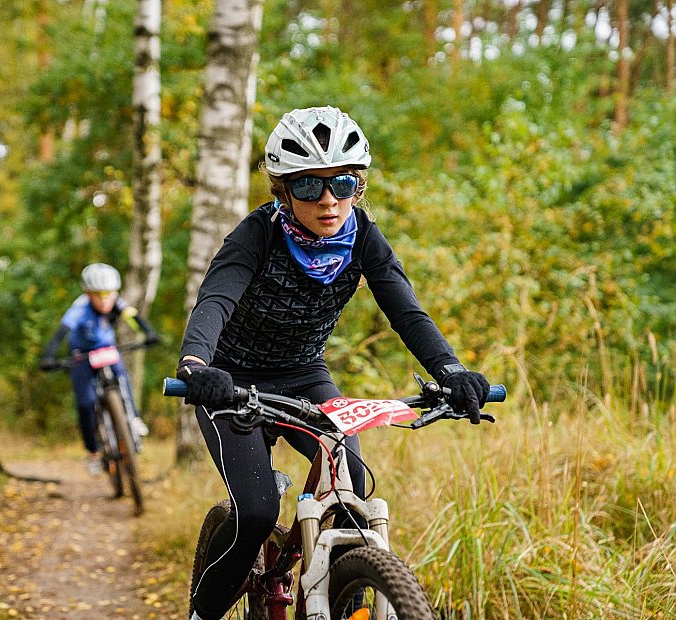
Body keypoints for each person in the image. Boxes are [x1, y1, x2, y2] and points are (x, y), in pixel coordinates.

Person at [175, 106, 491, 620]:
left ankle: (332, 596)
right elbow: (216, 301)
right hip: (230, 381)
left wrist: (451, 372)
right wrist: (196, 365)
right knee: (255, 512)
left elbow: (406, 311)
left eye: (343, 184)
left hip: (303, 374)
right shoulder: (255, 235)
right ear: (283, 190)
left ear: (357, 187)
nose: (329, 200)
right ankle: (201, 614)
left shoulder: (363, 237)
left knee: (352, 495)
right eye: (309, 188)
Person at [39, 263, 159, 475]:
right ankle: (93, 452)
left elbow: (134, 318)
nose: (105, 300)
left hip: (106, 349)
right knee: (85, 403)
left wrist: (149, 333)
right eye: (98, 295)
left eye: (109, 294)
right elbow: (60, 334)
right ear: (88, 293)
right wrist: (48, 356)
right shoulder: (78, 309)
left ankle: (133, 417)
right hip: (82, 353)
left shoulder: (117, 303)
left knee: (122, 377)